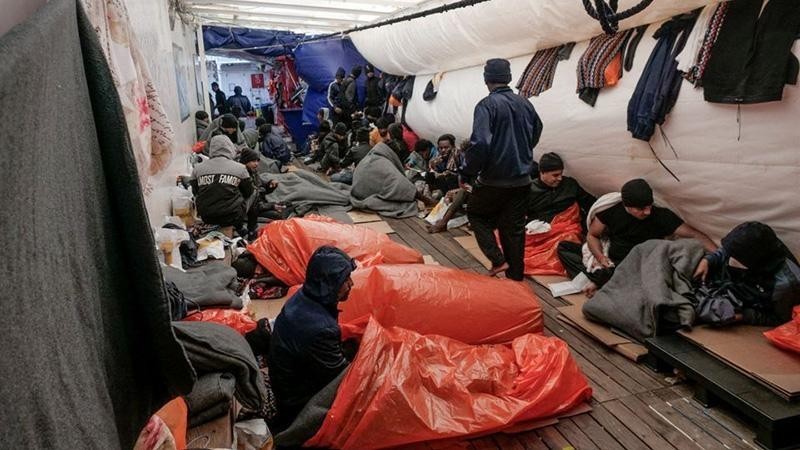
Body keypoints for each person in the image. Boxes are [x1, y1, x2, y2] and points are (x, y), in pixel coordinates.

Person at [558, 178, 718, 297]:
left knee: (620, 274)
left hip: (640, 263)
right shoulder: (611, 211)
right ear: (627, 206)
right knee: (564, 247)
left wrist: (718, 255)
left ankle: (601, 281)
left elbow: (694, 234)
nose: (647, 212)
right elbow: (592, 235)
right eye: (641, 209)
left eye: (649, 206)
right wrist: (600, 258)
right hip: (611, 260)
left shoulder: (661, 216)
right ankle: (602, 279)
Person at [462, 58, 543, 281]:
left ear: (486, 79)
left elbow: (481, 143)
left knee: (476, 214)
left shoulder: (486, 106)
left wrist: (468, 170)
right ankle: (515, 280)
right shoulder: (525, 103)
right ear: (508, 78)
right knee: (513, 231)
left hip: (494, 180)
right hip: (522, 180)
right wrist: (522, 151)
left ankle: (498, 260)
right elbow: (537, 130)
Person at [269, 246, 356, 429]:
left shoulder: (304, 296)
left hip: (286, 382)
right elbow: (338, 377)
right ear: (329, 284)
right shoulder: (321, 329)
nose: (351, 284)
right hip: (297, 402)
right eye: (345, 280)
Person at [693, 222, 800, 326]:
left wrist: (743, 316)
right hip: (729, 280)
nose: (731, 259)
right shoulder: (754, 242)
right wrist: (708, 260)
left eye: (736, 258)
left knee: (715, 312)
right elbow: (727, 250)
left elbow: (779, 318)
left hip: (750, 300)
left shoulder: (784, 286)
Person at [190, 135, 253, 230]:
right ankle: (250, 229)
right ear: (230, 148)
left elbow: (196, 192)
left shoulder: (198, 168)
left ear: (211, 148)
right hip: (232, 217)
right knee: (255, 193)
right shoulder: (240, 168)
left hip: (206, 216)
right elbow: (248, 192)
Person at [528, 152, 595, 228]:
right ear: (542, 173)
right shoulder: (529, 190)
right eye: (555, 175)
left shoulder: (570, 184)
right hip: (541, 231)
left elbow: (589, 202)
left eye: (561, 174)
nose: (560, 178)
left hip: (570, 228)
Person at [238, 149, 284, 239]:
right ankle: (252, 231)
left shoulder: (254, 172)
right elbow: (253, 202)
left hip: (258, 205)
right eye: (253, 161)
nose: (256, 164)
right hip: (250, 209)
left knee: (284, 206)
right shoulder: (244, 178)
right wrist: (272, 206)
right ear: (245, 161)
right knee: (277, 214)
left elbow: (262, 186)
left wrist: (270, 185)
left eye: (257, 161)